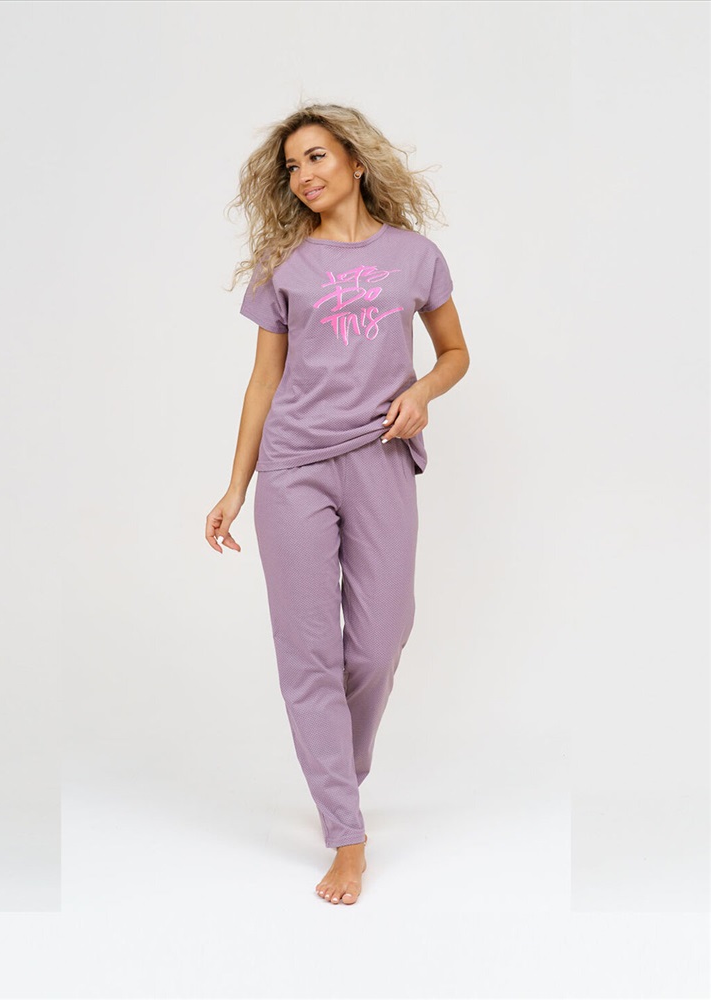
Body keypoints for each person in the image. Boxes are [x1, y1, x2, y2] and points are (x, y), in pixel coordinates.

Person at [205, 103, 470, 905]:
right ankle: (345, 837)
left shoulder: (414, 256)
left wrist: (422, 392)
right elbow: (263, 382)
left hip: (381, 455)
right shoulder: (284, 264)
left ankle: (336, 774)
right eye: (292, 166)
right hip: (293, 468)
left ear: (356, 161)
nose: (304, 175)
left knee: (381, 640)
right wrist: (237, 484)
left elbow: (455, 352)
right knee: (309, 654)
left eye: (316, 156)